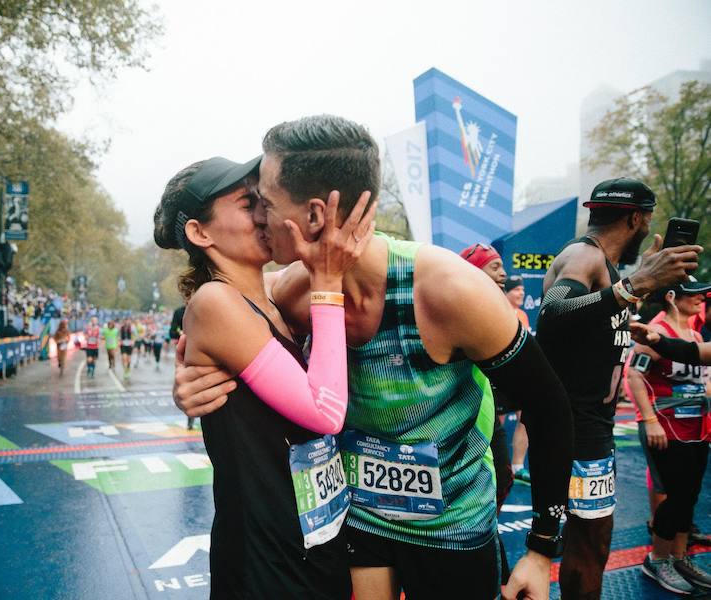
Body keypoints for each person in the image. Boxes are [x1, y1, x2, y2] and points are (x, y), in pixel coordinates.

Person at [174, 115, 575, 600]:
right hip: (357, 527)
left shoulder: (449, 291)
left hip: (452, 529)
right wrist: (190, 378)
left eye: (267, 202)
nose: (260, 215)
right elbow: (235, 330)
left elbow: (549, 406)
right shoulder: (295, 294)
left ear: (315, 216)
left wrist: (539, 550)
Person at [154, 153, 376, 599]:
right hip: (265, 557)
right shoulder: (215, 301)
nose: (264, 214)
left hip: (315, 536)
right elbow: (325, 411)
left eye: (264, 200)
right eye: (246, 203)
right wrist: (327, 282)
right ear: (200, 233)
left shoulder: (272, 300)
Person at [536, 177, 702, 599]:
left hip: (588, 427)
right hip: (576, 431)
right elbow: (554, 313)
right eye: (647, 221)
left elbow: (585, 323)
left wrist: (631, 318)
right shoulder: (582, 255)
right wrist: (634, 286)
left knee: (590, 541)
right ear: (636, 218)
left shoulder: (603, 269)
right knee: (590, 544)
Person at [626, 279, 711, 594]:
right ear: (673, 297)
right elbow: (635, 375)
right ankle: (658, 560)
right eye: (695, 293)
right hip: (665, 425)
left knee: (689, 497)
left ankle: (678, 557)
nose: (702, 298)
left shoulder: (695, 334)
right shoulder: (656, 329)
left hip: (696, 428)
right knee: (673, 497)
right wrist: (649, 420)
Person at [459, 242, 515, 584]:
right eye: (494, 266)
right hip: (461, 431)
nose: (504, 273)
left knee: (503, 480)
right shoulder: (454, 312)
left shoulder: (507, 316)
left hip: (491, 423)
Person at [504, 275, 532, 485]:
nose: (521, 293)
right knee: (497, 423)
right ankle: (497, 465)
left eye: (522, 290)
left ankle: (518, 466)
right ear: (506, 292)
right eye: (516, 290)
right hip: (499, 376)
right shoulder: (497, 310)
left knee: (525, 419)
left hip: (521, 374)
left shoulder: (522, 314)